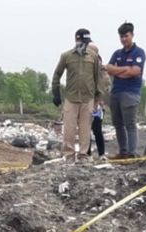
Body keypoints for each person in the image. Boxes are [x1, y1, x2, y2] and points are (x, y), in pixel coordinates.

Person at [52, 28, 101, 163]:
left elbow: (97, 78)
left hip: (87, 98)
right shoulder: (66, 56)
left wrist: (97, 98)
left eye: (87, 42)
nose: (85, 44)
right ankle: (69, 155)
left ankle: (83, 155)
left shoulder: (93, 57)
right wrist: (55, 92)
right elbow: (57, 74)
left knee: (85, 129)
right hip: (71, 98)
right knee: (69, 128)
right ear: (77, 40)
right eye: (83, 41)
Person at [105, 22, 146, 159]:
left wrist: (118, 70)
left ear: (132, 35)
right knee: (118, 124)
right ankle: (122, 152)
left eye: (126, 36)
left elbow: (135, 71)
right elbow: (108, 68)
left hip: (131, 93)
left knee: (130, 124)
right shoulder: (117, 53)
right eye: (121, 37)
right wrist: (124, 69)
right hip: (116, 91)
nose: (124, 39)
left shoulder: (138, 52)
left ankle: (131, 153)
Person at [87, 42, 110, 159]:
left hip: (98, 104)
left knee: (97, 129)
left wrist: (99, 99)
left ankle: (101, 154)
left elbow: (106, 84)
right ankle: (87, 155)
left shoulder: (101, 68)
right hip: (85, 102)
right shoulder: (84, 65)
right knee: (85, 130)